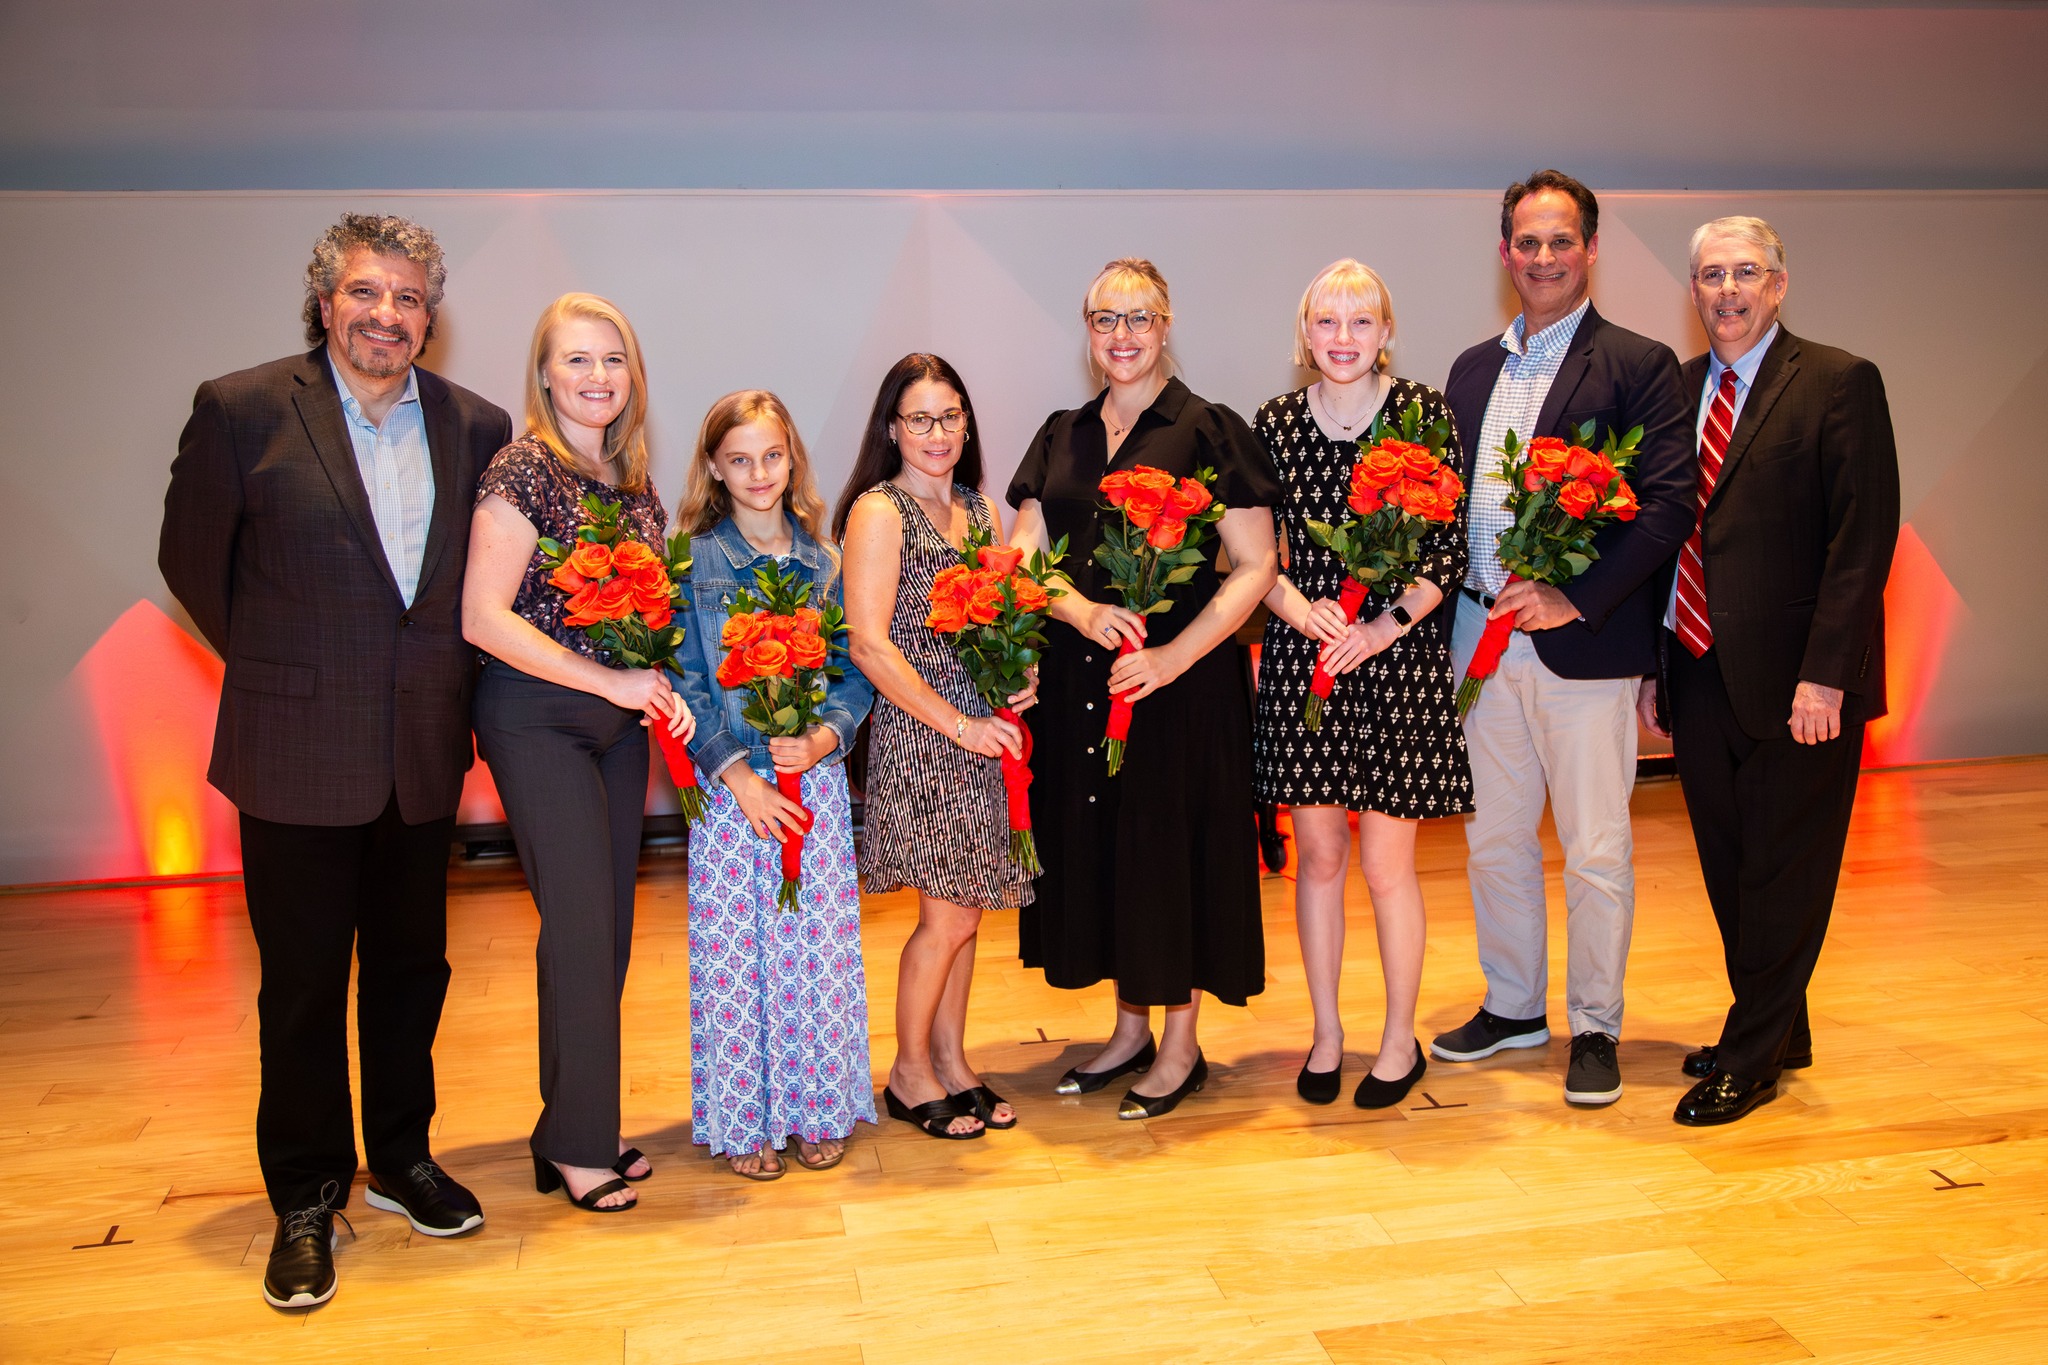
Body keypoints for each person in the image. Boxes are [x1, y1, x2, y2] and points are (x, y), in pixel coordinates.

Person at [159, 213, 509, 1309]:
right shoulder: (243, 408)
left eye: (408, 299)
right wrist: (286, 668)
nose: (387, 316)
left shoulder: (475, 425)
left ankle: (401, 1160)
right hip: (294, 751)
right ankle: (306, 1199)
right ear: (326, 303)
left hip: (419, 751)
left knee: (412, 976)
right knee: (305, 991)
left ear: (428, 318)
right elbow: (191, 561)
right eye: (367, 293)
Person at [1432, 171, 1694, 1106]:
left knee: (1594, 845)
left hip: (1582, 642)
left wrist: (1574, 597)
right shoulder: (1468, 369)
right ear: (1505, 252)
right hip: (1477, 634)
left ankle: (1595, 1022)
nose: (1544, 257)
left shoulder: (1638, 361)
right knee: (1493, 837)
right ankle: (1513, 1006)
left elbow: (1667, 504)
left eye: (1562, 240)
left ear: (1591, 249)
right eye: (1527, 241)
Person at [1007, 258, 1281, 1120]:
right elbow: (1022, 558)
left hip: (1181, 689)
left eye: (1139, 318)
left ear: (1166, 327)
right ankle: (1127, 1033)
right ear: (1087, 332)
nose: (1121, 335)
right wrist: (1080, 609)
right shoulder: (1061, 432)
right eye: (1104, 319)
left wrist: (1173, 656)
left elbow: (1255, 565)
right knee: (1102, 855)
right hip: (1078, 681)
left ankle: (1182, 1046)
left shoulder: (1210, 428)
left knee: (1173, 856)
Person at [1639, 217, 1899, 1125]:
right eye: (1711, 274)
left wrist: (1827, 674)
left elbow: (1860, 542)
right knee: (1729, 863)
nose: (1728, 289)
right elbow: (1662, 532)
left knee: (1785, 868)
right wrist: (1653, 661)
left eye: (1746, 271)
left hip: (1801, 684)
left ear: (1779, 284)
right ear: (1695, 289)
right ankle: (1778, 1023)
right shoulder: (1673, 392)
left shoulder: (1836, 381)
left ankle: (1750, 1057)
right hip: (1698, 664)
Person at [462, 294, 692, 1213]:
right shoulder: (522, 469)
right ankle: (581, 1147)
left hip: (614, 724)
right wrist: (611, 684)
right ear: (545, 375)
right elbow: (483, 617)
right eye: (578, 360)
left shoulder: (634, 485)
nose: (598, 377)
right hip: (537, 717)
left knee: (606, 932)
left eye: (614, 360)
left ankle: (571, 1126)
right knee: (582, 924)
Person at [1250, 260, 1473, 1110]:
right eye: (1326, 322)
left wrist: (1381, 627)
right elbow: (1253, 554)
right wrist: (1299, 609)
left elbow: (1446, 549)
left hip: (1396, 664)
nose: (1343, 338)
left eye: (1360, 322)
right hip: (1309, 657)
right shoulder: (1271, 424)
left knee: (1386, 867)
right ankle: (1327, 1033)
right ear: (1304, 336)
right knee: (1317, 858)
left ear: (1386, 332)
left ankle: (1394, 1039)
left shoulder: (1422, 414)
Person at [668, 391, 876, 1175]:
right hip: (730, 795)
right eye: (740, 459)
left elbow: (852, 674)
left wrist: (825, 736)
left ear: (792, 460)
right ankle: (748, 1115)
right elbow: (684, 676)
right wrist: (734, 772)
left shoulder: (823, 563)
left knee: (814, 951)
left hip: (812, 785)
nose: (759, 473)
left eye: (773, 455)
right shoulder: (691, 559)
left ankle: (818, 1104)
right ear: (716, 470)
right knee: (740, 955)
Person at [836, 354, 1035, 1140]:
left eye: (950, 416)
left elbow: (997, 623)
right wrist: (958, 723)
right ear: (892, 427)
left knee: (970, 909)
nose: (938, 433)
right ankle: (908, 1070)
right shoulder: (878, 512)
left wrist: (1019, 679)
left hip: (985, 733)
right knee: (945, 916)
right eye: (920, 418)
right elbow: (869, 645)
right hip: (925, 734)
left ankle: (953, 1061)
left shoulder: (981, 513)